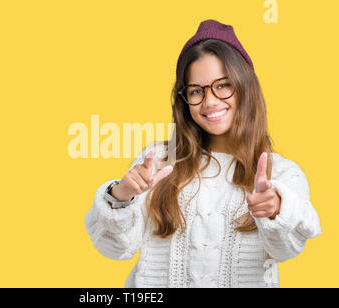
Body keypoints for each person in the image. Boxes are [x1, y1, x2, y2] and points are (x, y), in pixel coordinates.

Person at [84, 19, 321, 288]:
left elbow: (288, 249)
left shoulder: (280, 174)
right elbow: (115, 250)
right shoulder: (160, 160)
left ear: (245, 87)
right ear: (184, 101)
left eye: (223, 85)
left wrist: (276, 209)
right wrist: (121, 197)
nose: (209, 101)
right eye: (196, 91)